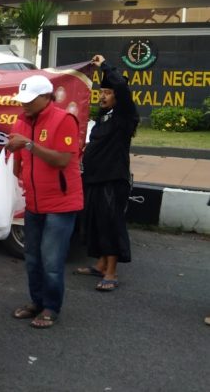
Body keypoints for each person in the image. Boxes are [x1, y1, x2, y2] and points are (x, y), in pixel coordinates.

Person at [6, 75, 83, 329]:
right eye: (22, 100)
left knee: (51, 261)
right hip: (34, 202)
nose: (24, 104)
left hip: (61, 203)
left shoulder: (64, 119)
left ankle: (51, 307)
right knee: (32, 258)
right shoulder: (21, 121)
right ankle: (36, 302)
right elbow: (18, 159)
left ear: (46, 97)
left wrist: (29, 145)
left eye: (30, 100)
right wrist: (15, 160)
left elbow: (62, 159)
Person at [73, 55, 139, 292]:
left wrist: (104, 65)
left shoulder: (124, 116)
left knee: (111, 224)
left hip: (112, 180)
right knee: (96, 222)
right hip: (94, 178)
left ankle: (111, 272)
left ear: (118, 97)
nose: (102, 96)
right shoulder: (104, 116)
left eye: (108, 93)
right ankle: (101, 264)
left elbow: (121, 86)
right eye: (101, 92)